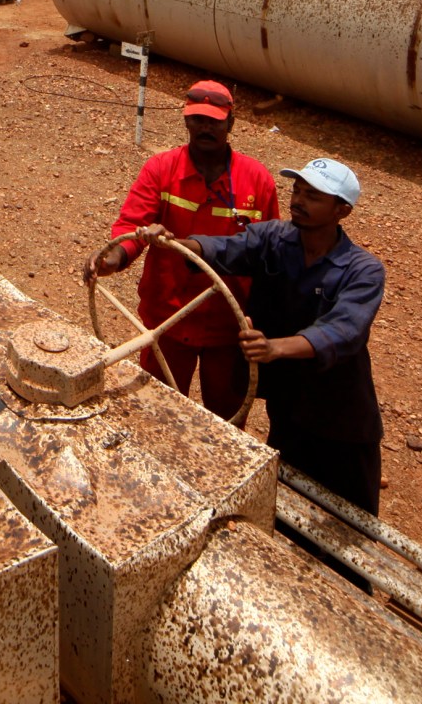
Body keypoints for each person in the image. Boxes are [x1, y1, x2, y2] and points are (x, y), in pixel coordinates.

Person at [151, 155, 386, 531]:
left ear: (342, 210)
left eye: (313, 196)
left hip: (340, 415)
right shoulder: (274, 238)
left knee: (349, 526)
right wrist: (174, 244)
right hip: (288, 405)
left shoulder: (363, 270)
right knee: (288, 507)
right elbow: (225, 249)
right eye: (297, 191)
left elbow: (345, 330)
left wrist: (275, 348)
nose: (298, 201)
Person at [82, 80, 279, 419]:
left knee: (226, 421)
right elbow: (133, 226)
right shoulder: (161, 169)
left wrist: (265, 321)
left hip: (229, 325)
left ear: (231, 124)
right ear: (186, 121)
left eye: (214, 121)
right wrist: (111, 258)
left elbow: (271, 253)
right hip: (167, 320)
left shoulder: (257, 180)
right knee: (159, 414)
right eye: (198, 119)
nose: (205, 128)